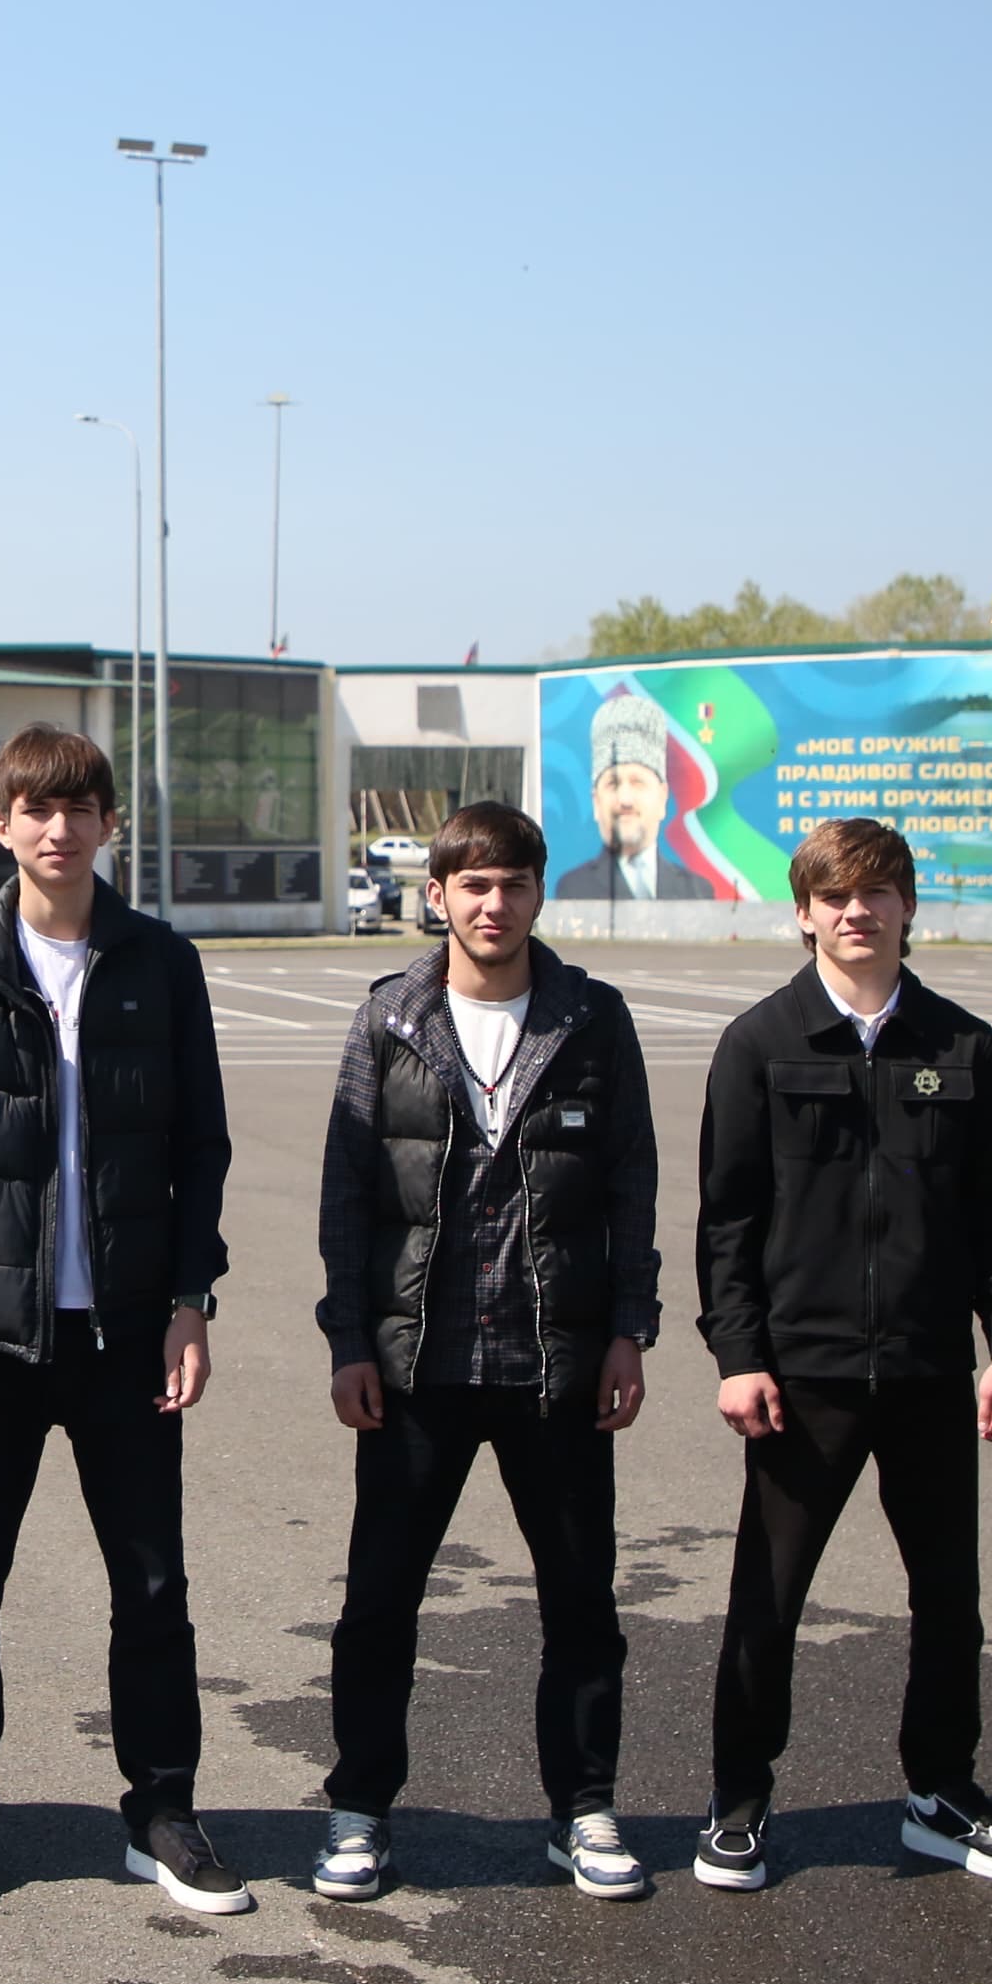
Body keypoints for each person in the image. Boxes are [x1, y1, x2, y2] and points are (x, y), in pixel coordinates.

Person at [0, 724, 239, 1919]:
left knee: (151, 1582)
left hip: (127, 1336)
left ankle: (161, 1807)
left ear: (106, 824)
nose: (58, 827)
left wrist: (189, 1299)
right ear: (2, 825)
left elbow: (199, 1144)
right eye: (35, 808)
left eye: (79, 806)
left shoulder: (160, 963)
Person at [309, 801, 661, 1907]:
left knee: (581, 1603)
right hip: (417, 1364)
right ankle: (359, 1809)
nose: (493, 903)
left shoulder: (591, 1017)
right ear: (437, 896)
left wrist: (628, 1329)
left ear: (537, 893)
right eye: (472, 884)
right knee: (379, 1603)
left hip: (555, 1362)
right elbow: (346, 1193)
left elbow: (632, 1183)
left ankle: (583, 1809)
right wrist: (348, 1339)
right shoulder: (389, 1017)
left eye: (511, 883)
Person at [688, 817, 992, 1891]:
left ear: (906, 907)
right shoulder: (760, 1043)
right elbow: (726, 1221)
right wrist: (738, 1354)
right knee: (769, 1595)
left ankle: (941, 1793)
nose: (857, 911)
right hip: (803, 1378)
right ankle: (738, 1799)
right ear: (803, 913)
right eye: (835, 895)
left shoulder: (963, 1045)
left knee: (948, 1597)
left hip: (932, 1370)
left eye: (877, 891)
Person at [554, 691, 725, 903]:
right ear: (596, 802)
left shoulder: (696, 892)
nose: (625, 799)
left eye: (637, 783)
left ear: (662, 798)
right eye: (613, 784)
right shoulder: (573, 889)